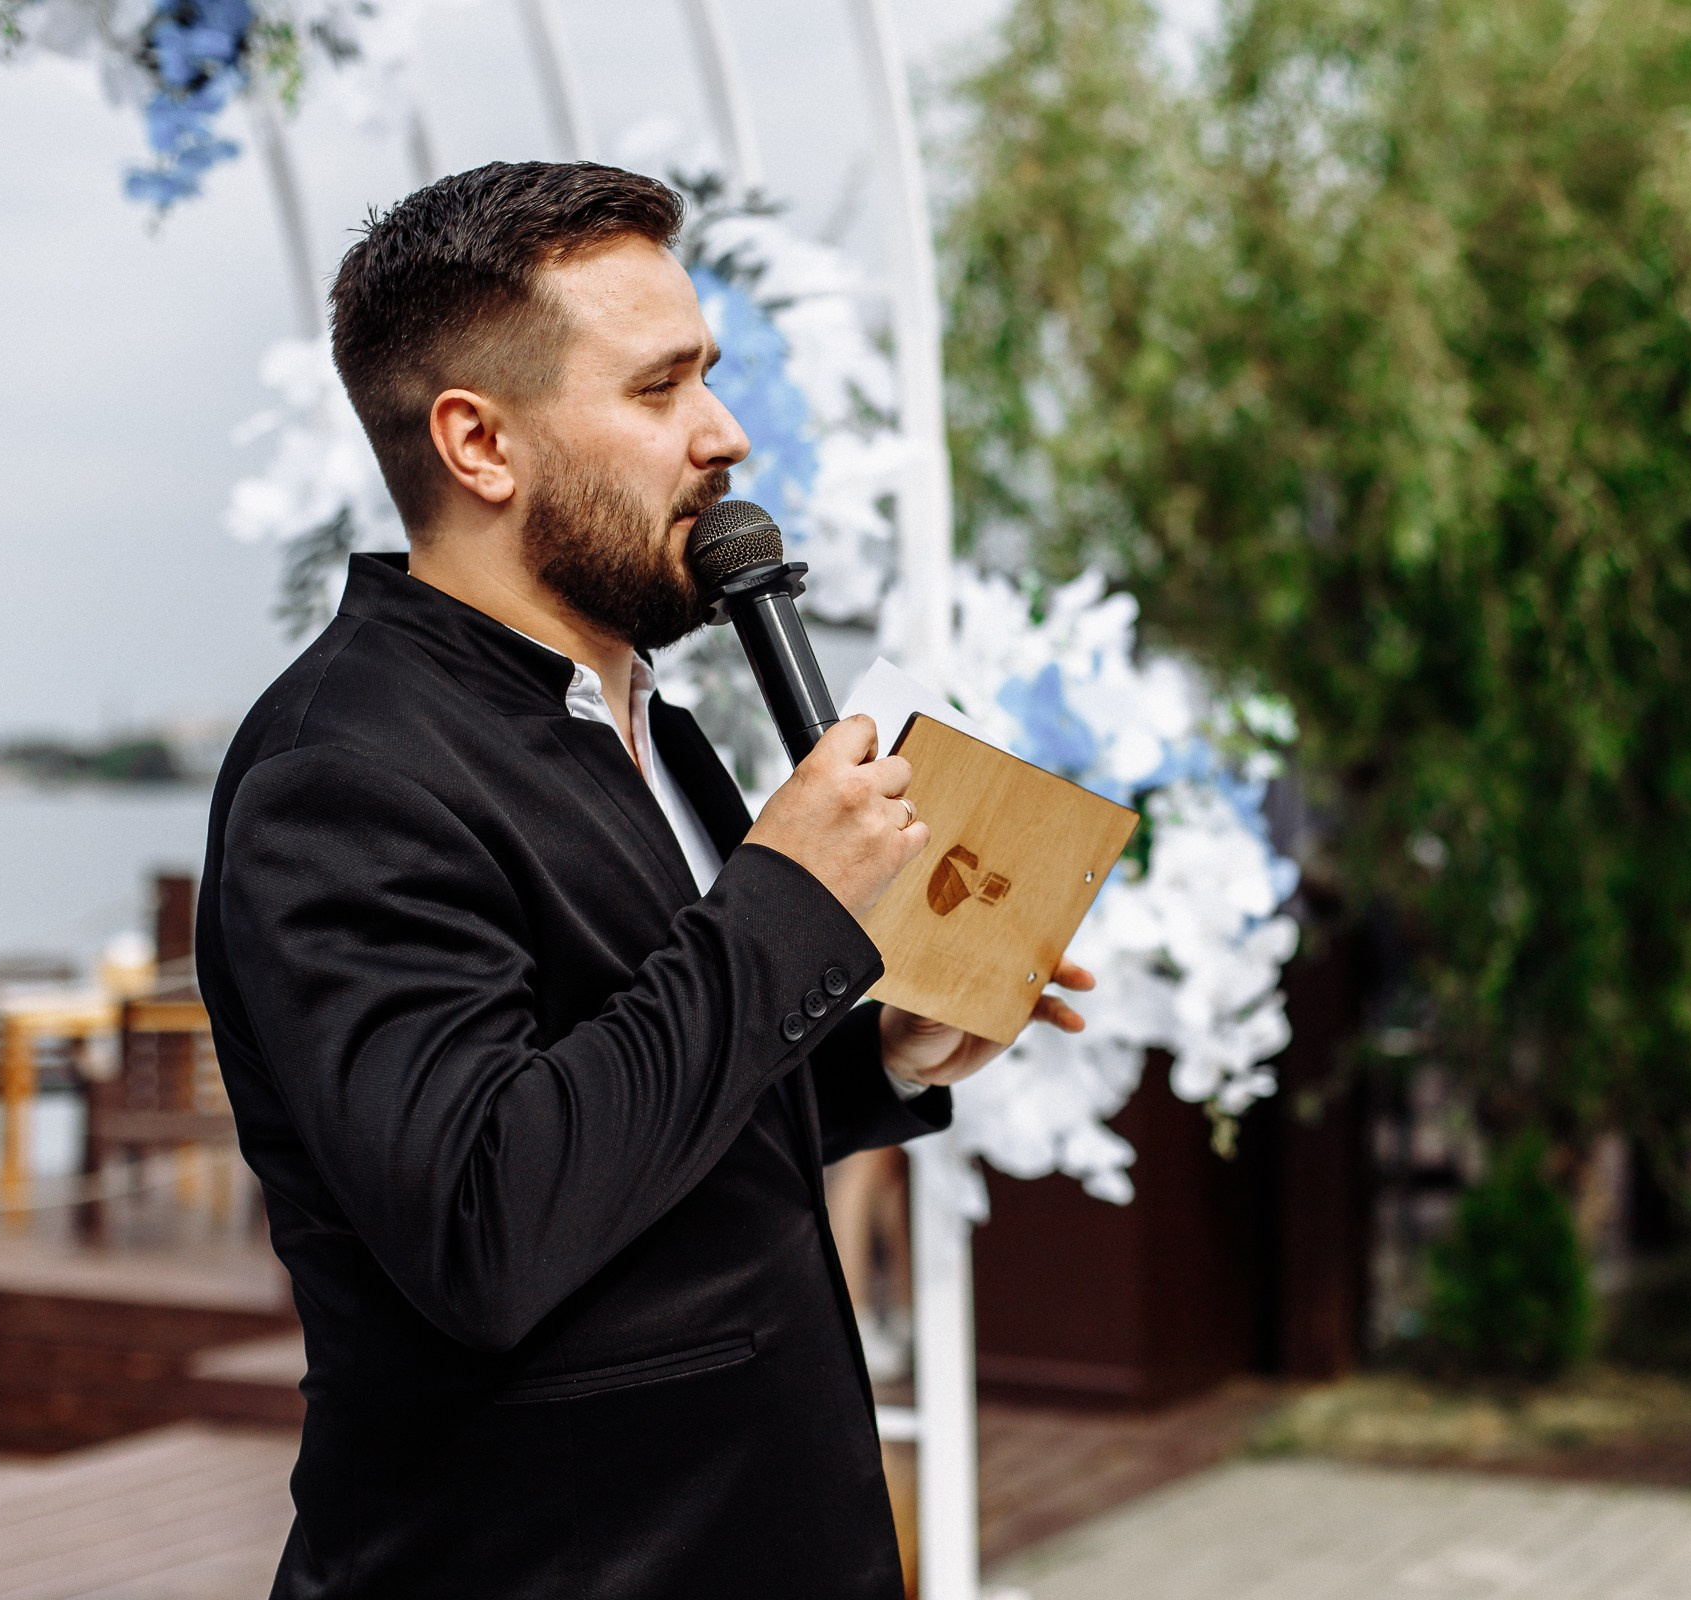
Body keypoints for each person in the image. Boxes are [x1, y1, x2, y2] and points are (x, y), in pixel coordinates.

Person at [194, 161, 1093, 1598]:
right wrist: (791, 905)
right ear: (480, 443)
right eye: (660, 389)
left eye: (711, 379)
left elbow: (643, 1099)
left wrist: (878, 1055)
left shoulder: (644, 719)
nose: (724, 436)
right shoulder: (341, 773)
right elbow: (485, 1218)